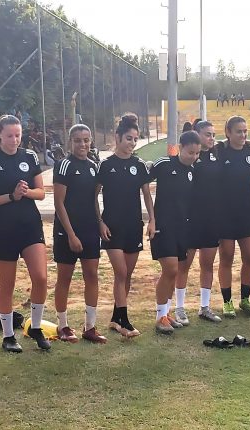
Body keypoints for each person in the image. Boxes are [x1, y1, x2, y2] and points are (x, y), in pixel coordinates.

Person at [0, 115, 50, 353]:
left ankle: (35, 327)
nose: (14, 139)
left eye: (18, 135)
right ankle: (8, 335)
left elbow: (41, 193)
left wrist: (25, 193)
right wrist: (11, 197)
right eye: (9, 135)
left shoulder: (29, 156)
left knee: (40, 277)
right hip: (2, 229)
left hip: (30, 226)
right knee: (8, 283)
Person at [97, 113, 153, 338]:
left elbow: (147, 195)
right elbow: (94, 196)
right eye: (128, 138)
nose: (132, 143)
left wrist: (152, 220)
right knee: (120, 272)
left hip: (133, 226)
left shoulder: (139, 165)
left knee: (127, 275)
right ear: (118, 137)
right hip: (112, 227)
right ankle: (125, 322)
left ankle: (115, 318)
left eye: (135, 139)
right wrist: (99, 222)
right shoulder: (106, 165)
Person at [51, 124, 105, 343]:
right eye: (77, 140)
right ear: (70, 142)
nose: (82, 144)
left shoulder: (94, 166)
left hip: (90, 228)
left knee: (92, 275)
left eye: (86, 140)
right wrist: (71, 234)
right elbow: (58, 203)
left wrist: (100, 222)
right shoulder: (64, 165)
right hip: (67, 231)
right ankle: (62, 325)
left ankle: (90, 327)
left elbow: (93, 199)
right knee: (65, 277)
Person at [150, 131, 201, 334]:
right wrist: (151, 219)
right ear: (180, 147)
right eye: (190, 152)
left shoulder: (193, 170)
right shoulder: (164, 163)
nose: (194, 157)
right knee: (170, 270)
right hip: (163, 226)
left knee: (175, 272)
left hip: (183, 228)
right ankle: (159, 316)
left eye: (197, 153)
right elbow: (144, 182)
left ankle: (165, 313)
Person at [176, 121, 223, 323]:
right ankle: (179, 308)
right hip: (190, 220)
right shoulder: (189, 157)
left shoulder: (217, 154)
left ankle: (204, 307)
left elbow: (237, 142)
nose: (211, 138)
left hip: (211, 219)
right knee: (183, 266)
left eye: (213, 134)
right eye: (207, 134)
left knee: (208, 264)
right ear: (196, 135)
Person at [216, 116, 250, 318]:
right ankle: (227, 302)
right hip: (224, 213)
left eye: (246, 131)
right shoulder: (218, 151)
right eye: (238, 131)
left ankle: (245, 299)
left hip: (246, 212)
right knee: (226, 257)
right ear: (228, 132)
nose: (243, 135)